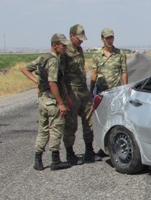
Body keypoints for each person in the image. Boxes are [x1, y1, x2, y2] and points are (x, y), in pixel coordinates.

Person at [20, 33, 72, 171]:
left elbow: (24, 68)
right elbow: (53, 83)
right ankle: (55, 160)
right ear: (55, 45)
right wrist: (61, 102)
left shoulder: (43, 58)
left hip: (42, 99)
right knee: (56, 129)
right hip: (52, 100)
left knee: (43, 130)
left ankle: (38, 160)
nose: (65, 47)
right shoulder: (54, 61)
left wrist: (37, 81)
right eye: (62, 45)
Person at [62, 24, 100, 165]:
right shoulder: (64, 51)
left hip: (83, 90)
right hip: (71, 91)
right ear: (72, 36)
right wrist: (65, 96)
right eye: (79, 38)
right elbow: (60, 75)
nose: (81, 41)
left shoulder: (80, 50)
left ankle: (89, 151)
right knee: (71, 124)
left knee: (89, 122)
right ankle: (70, 153)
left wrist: (89, 91)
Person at [90, 27, 128, 158]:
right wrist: (91, 90)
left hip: (115, 92)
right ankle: (101, 147)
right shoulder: (97, 55)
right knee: (101, 119)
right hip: (101, 91)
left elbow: (124, 72)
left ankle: (113, 145)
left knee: (115, 118)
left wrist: (125, 89)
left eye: (111, 37)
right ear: (102, 39)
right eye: (107, 38)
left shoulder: (120, 53)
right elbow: (94, 73)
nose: (110, 40)